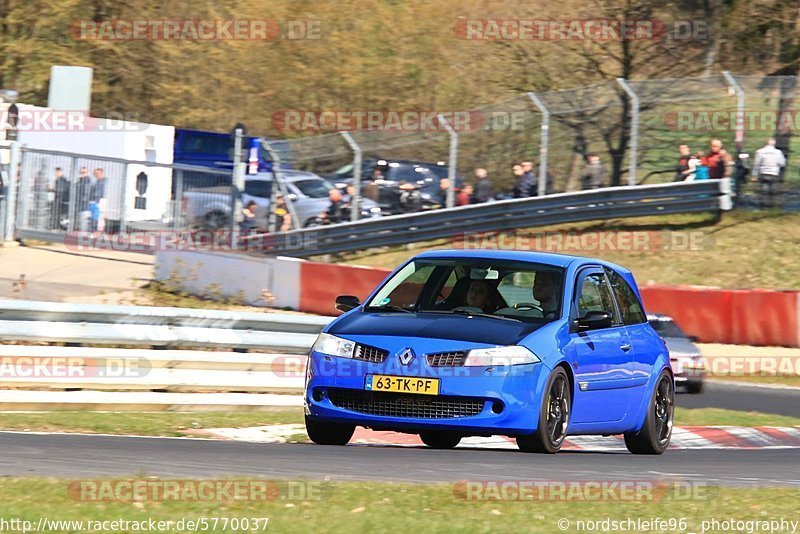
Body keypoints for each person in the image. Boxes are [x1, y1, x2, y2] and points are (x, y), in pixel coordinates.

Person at [751, 138, 786, 205]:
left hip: (764, 172)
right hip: (774, 173)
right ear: (774, 144)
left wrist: (754, 175)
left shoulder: (760, 151)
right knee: (773, 190)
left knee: (764, 190)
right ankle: (772, 204)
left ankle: (764, 204)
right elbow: (782, 163)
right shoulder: (778, 152)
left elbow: (756, 164)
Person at [89, 168, 106, 232]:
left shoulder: (103, 182)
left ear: (101, 173)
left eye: (97, 173)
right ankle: (96, 230)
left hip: (101, 200)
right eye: (95, 174)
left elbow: (99, 192)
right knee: (96, 216)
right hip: (96, 201)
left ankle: (98, 231)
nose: (96, 175)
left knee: (100, 216)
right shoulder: (97, 182)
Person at [75, 167, 92, 232]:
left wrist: (83, 200)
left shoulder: (87, 181)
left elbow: (86, 194)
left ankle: (84, 233)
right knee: (79, 221)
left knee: (83, 222)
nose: (82, 174)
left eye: (84, 173)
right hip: (78, 204)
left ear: (87, 173)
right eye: (81, 172)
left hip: (84, 205)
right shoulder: (80, 181)